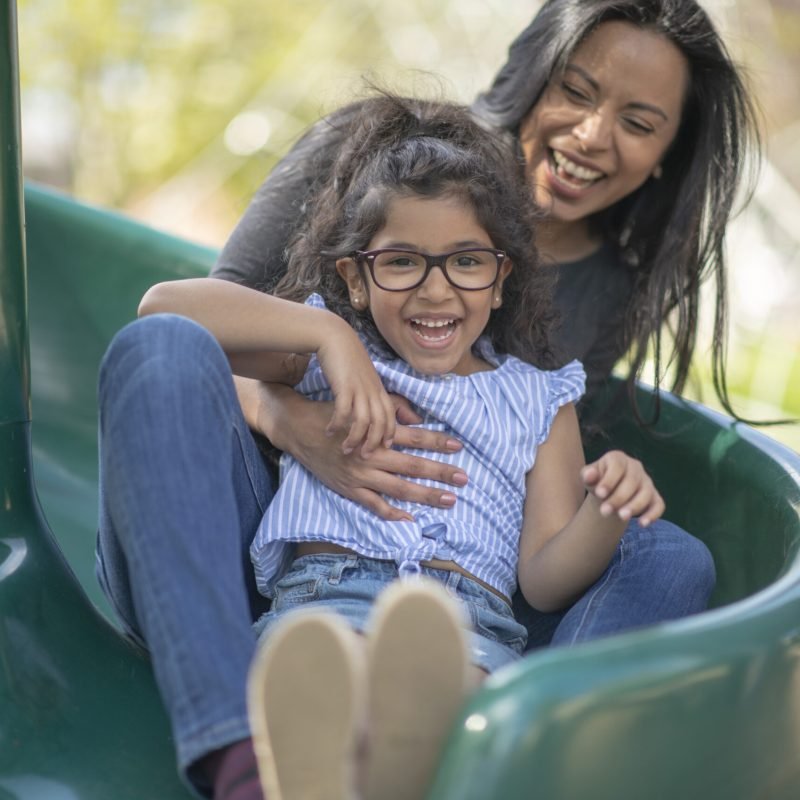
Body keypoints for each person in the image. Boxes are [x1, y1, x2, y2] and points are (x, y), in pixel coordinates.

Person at [94, 0, 731, 797]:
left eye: (639, 121)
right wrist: (294, 413)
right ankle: (240, 749)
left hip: (458, 587)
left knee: (666, 551)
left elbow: (537, 502)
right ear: (529, 76)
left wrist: (605, 506)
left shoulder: (605, 295)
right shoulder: (370, 157)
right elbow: (193, 331)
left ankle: (501, 746)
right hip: (257, 543)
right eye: (575, 90)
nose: (594, 135)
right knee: (159, 352)